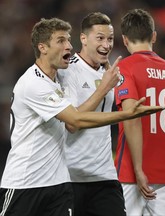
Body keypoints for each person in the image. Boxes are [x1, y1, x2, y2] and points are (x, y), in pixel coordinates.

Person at [0, 17, 164, 216]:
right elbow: (75, 121)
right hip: (25, 182)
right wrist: (125, 113)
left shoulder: (57, 79)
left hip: (61, 182)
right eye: (61, 41)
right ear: (43, 47)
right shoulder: (37, 83)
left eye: (68, 40)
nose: (68, 45)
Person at [114, 9, 165, 216]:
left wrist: (139, 169)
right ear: (154, 36)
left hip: (130, 174)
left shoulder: (125, 68)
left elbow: (131, 118)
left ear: (125, 39)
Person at [58, 12, 125, 216]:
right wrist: (103, 88)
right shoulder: (67, 71)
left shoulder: (109, 73)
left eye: (110, 39)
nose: (107, 45)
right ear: (84, 39)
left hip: (105, 175)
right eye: (100, 38)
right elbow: (72, 123)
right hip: (72, 177)